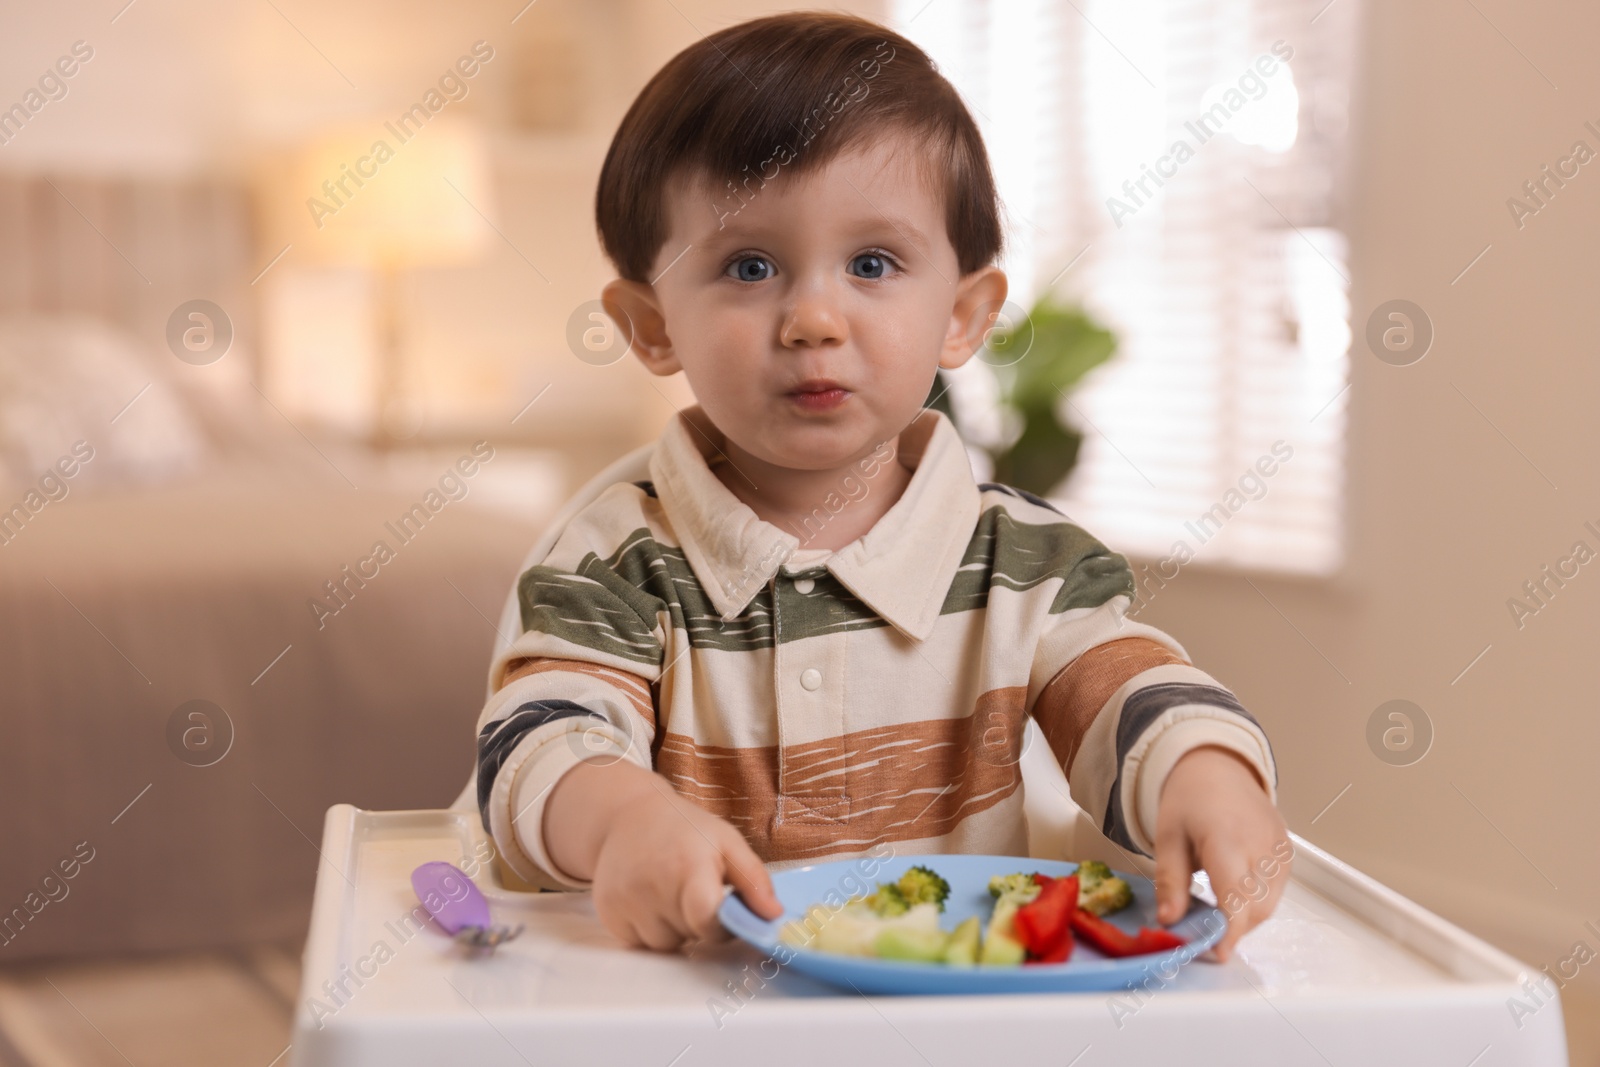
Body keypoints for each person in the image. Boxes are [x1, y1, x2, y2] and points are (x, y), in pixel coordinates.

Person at [473, 10, 1288, 961]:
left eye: (872, 263)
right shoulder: (614, 563)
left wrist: (1208, 772)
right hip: (698, 1012)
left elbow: (1130, 691)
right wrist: (620, 821)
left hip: (963, 1021)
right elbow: (538, 741)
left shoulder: (1026, 565)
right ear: (652, 326)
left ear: (962, 314)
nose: (814, 316)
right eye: (749, 265)